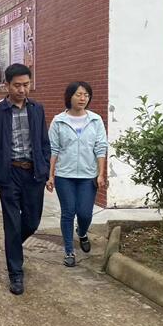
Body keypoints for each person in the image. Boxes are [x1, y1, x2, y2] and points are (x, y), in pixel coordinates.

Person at [0, 64, 50, 295]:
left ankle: (13, 247)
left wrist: (45, 168)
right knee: (12, 224)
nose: (22, 90)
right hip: (8, 174)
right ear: (7, 86)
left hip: (33, 174)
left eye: (26, 85)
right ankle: (16, 274)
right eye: (17, 85)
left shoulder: (37, 109)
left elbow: (44, 142)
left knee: (32, 222)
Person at [46, 81, 108, 267]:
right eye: (78, 94)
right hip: (65, 175)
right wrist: (50, 175)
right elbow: (53, 150)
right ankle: (69, 251)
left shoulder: (95, 120)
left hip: (88, 176)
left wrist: (101, 174)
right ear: (70, 96)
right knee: (68, 212)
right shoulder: (59, 121)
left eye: (86, 95)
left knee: (85, 213)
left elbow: (101, 148)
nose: (83, 98)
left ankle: (81, 232)